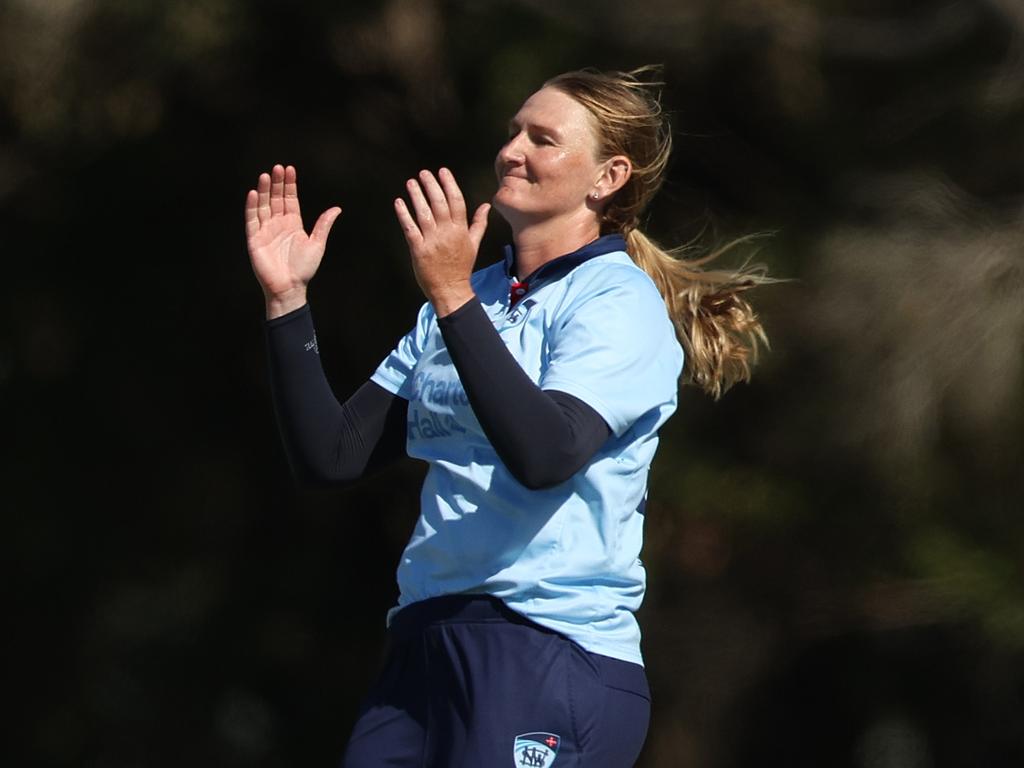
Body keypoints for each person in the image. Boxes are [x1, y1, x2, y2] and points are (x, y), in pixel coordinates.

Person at [245, 67, 769, 767]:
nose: (512, 150)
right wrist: (288, 303)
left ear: (607, 176)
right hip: (424, 648)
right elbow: (332, 453)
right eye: (514, 130)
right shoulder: (473, 294)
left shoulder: (616, 302)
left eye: (544, 139)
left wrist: (454, 297)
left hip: (547, 652)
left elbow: (546, 455)